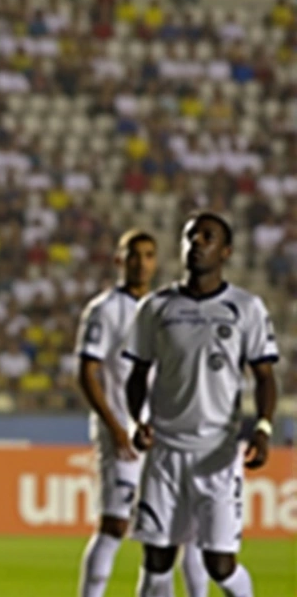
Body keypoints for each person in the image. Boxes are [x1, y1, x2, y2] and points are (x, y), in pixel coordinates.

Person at [125, 213, 280, 597]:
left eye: (207, 237)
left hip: (218, 455)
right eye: (190, 236)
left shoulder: (246, 308)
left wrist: (263, 428)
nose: (196, 242)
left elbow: (264, 377)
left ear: (225, 251)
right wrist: (136, 419)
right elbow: (138, 373)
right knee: (157, 558)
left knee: (220, 565)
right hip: (165, 453)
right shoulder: (156, 307)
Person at [75, 231, 209, 597]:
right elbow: (87, 372)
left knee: (172, 533)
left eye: (149, 255)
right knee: (115, 525)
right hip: (120, 432)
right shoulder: (104, 309)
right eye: (134, 255)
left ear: (156, 261)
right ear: (119, 260)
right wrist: (116, 427)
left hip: (162, 435)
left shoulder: (165, 309)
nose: (141, 262)